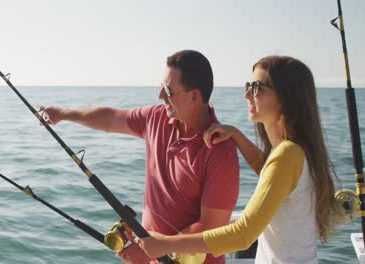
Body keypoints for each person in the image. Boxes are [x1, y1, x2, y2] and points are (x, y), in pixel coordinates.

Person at [39, 50, 240, 264]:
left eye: (168, 91)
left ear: (194, 96)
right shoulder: (156, 118)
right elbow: (111, 118)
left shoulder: (220, 151)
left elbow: (210, 228)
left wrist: (151, 251)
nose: (160, 96)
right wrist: (64, 114)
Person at [134, 55, 339, 264]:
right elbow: (269, 172)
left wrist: (166, 244)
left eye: (257, 87)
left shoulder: (287, 155)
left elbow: (242, 235)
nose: (247, 95)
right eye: (248, 85)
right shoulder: (293, 153)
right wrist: (236, 135)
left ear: (286, 97)